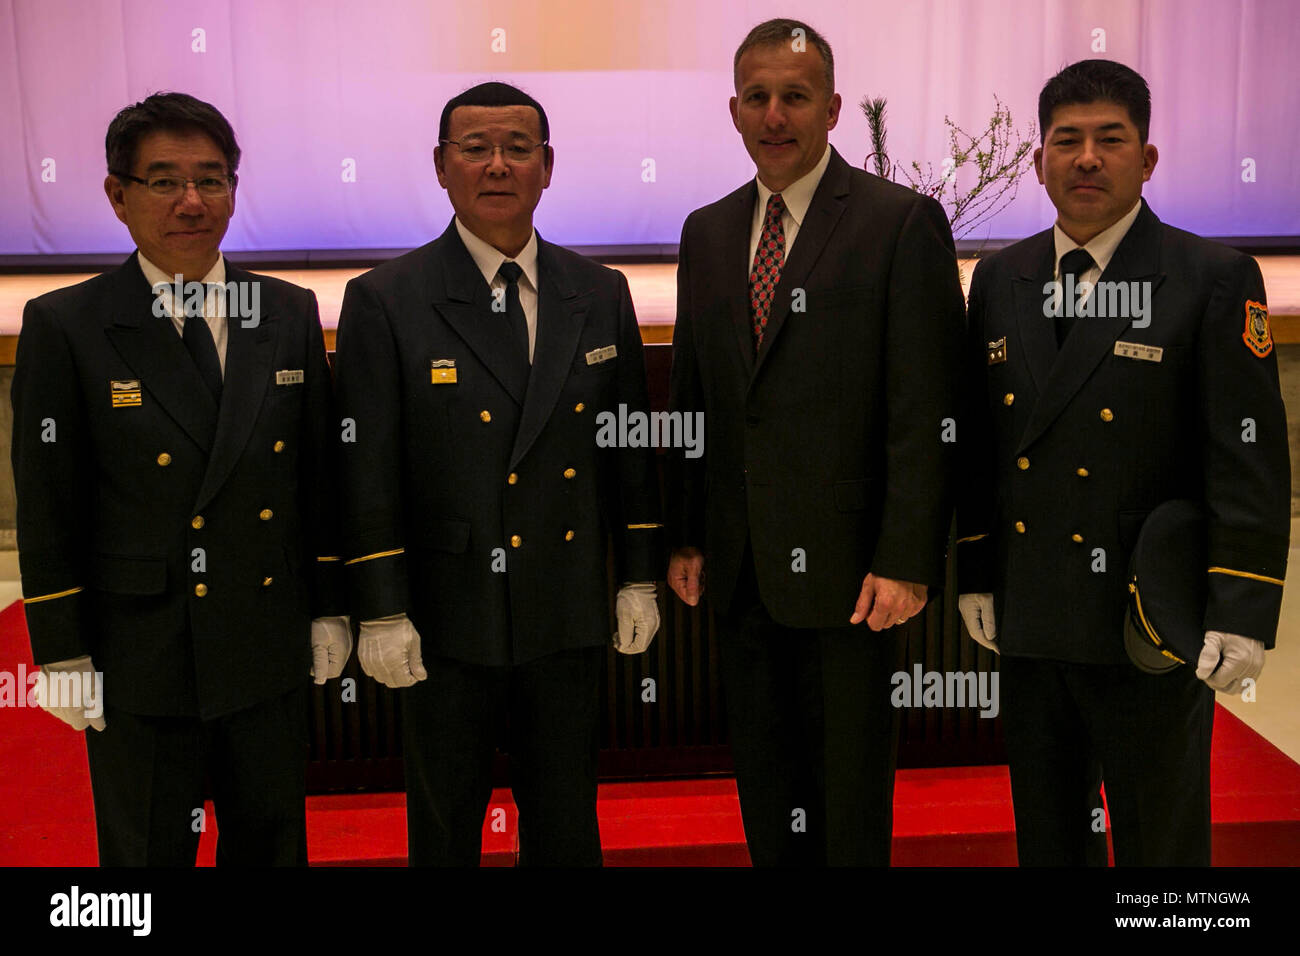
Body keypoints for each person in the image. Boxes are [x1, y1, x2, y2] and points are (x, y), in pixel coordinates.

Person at [956, 59, 1290, 866]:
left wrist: (1241, 608)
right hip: (1034, 615)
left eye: (1110, 139)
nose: (1086, 158)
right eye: (1066, 140)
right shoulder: (1002, 278)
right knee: (1049, 837)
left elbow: (1247, 454)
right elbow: (980, 443)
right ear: (1039, 160)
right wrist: (976, 569)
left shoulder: (1209, 278)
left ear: (1147, 159)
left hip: (1148, 614)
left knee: (1159, 844)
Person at [11, 92, 350, 866]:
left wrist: (330, 604)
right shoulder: (68, 324)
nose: (192, 202)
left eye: (211, 179)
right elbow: (48, 500)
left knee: (271, 845)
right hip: (142, 648)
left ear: (234, 188)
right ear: (117, 194)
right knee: (146, 854)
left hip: (263, 637)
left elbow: (317, 477)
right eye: (164, 181)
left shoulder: (285, 311)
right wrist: (61, 649)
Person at [334, 82, 662, 867]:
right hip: (447, 618)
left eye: (518, 148)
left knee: (567, 823)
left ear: (547, 166)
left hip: (565, 609)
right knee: (445, 829)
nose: (497, 165)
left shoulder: (600, 291)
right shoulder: (387, 299)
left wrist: (640, 575)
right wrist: (380, 607)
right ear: (440, 165)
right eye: (475, 148)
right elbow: (366, 467)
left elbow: (630, 447)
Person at [665, 19, 965, 866]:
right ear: (733, 109)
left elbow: (926, 406)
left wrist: (907, 558)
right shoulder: (707, 231)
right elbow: (693, 397)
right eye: (757, 97)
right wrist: (687, 533)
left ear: (832, 109)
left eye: (794, 96)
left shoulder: (898, 223)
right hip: (740, 569)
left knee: (847, 799)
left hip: (854, 576)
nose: (775, 115)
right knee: (768, 790)